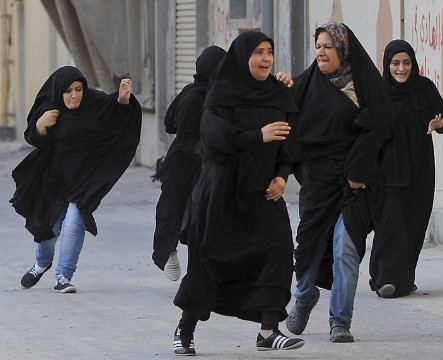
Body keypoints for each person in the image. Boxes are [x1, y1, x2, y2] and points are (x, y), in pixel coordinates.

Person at [171, 31, 303, 355]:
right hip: (221, 193)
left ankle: (269, 331)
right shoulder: (220, 94)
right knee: (208, 261)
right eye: (258, 52)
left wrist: (283, 176)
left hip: (262, 192)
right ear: (242, 57)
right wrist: (258, 136)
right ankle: (185, 329)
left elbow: (290, 144)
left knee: (279, 249)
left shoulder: (278, 94)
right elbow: (217, 140)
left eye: (270, 52)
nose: (265, 59)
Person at [286, 22, 393, 342]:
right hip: (318, 184)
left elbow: (383, 129)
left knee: (346, 249)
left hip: (355, 185)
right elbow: (287, 131)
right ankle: (304, 297)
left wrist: (360, 172)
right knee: (308, 248)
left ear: (343, 51)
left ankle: (340, 321)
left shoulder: (365, 86)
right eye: (317, 45)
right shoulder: (303, 87)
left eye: (328, 46)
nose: (320, 51)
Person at [12, 66, 142, 293]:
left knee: (74, 221)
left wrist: (122, 100)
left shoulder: (95, 102)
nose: (75, 95)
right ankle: (41, 264)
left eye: (79, 89)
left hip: (86, 180)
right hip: (54, 179)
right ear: (59, 92)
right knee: (47, 228)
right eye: (68, 91)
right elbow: (36, 140)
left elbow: (117, 115)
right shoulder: (50, 109)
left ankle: (63, 276)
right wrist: (41, 125)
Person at [368, 39, 443, 298]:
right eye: (395, 63)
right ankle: (385, 278)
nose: (401, 68)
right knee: (390, 221)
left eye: (406, 62)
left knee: (414, 223)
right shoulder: (378, 90)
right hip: (387, 168)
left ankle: (404, 280)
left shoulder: (424, 87)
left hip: (419, 167)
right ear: (387, 64)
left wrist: (437, 125)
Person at [152, 45, 227, 281]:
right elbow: (184, 138)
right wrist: (209, 153)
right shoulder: (193, 98)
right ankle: (169, 252)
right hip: (184, 164)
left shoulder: (221, 95)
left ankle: (203, 273)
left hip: (207, 165)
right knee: (172, 212)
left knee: (204, 217)